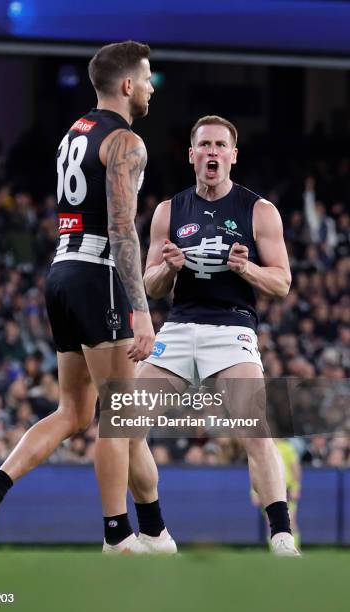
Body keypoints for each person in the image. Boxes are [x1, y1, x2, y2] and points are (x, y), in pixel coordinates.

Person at [0, 41, 176, 555]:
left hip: (62, 272)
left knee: (75, 411)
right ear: (125, 85)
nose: (149, 87)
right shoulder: (125, 142)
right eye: (146, 79)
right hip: (99, 272)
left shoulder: (73, 134)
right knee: (120, 415)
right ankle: (118, 537)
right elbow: (122, 227)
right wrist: (141, 308)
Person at [139, 114, 299, 556]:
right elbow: (150, 285)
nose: (212, 152)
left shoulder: (258, 210)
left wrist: (245, 267)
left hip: (231, 326)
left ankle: (282, 536)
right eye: (204, 145)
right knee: (124, 421)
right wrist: (166, 268)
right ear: (191, 155)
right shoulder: (169, 211)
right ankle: (154, 533)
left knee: (256, 428)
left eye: (220, 145)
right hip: (179, 324)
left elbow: (282, 283)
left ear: (233, 155)